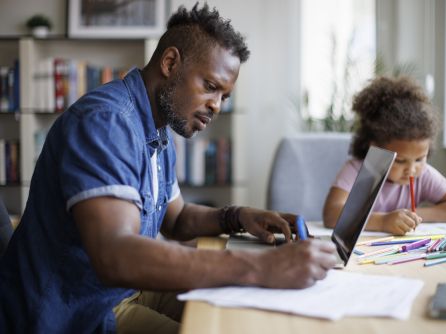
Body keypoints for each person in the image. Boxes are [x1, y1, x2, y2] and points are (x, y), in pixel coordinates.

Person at [0, 3, 339, 334]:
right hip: (76, 312)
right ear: (170, 62)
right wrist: (264, 266)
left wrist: (238, 217)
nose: (216, 106)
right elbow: (115, 255)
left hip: (121, 290)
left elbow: (176, 219)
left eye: (224, 96)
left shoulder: (156, 127)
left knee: (252, 312)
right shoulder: (106, 124)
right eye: (210, 86)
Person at [323, 76, 446, 236]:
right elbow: (331, 214)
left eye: (420, 159)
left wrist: (411, 215)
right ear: (375, 148)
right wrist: (383, 221)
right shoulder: (357, 170)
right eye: (400, 161)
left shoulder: (424, 175)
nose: (411, 169)